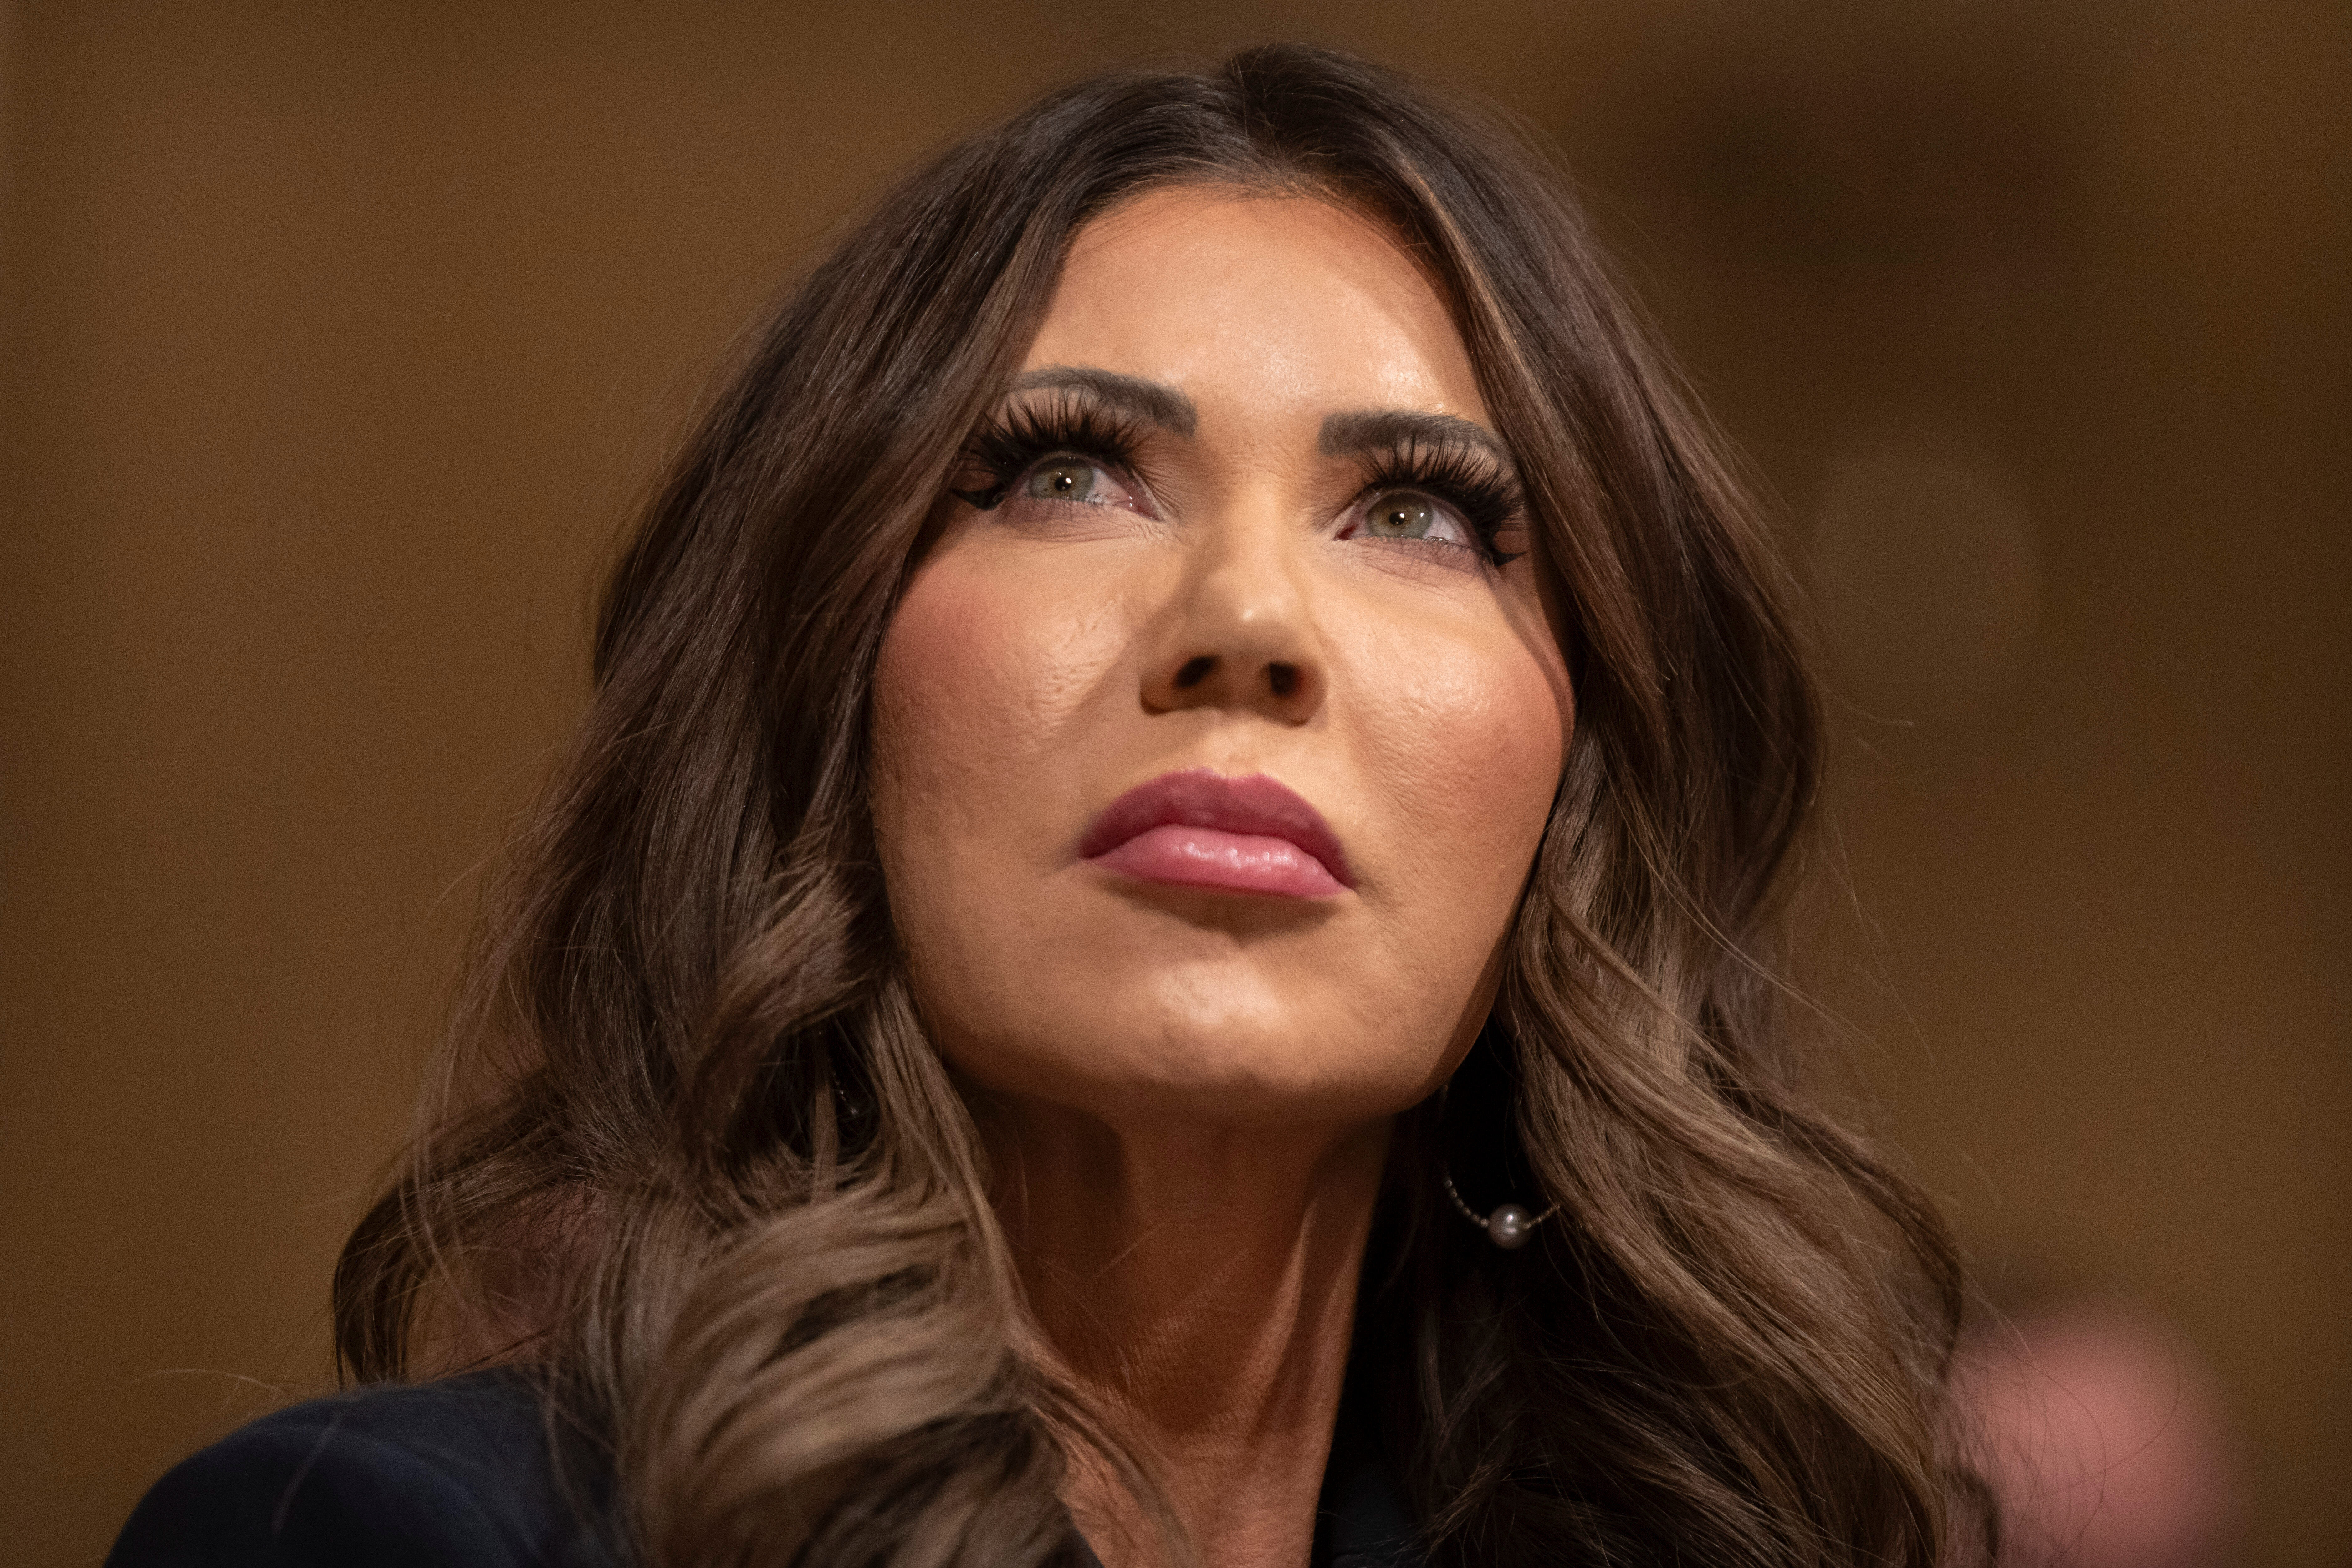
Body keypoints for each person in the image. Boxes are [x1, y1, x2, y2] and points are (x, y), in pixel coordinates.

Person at [109, 43, 1986, 1568]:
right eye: (1069, 474)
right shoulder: (390, 1539)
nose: (1246, 622)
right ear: (822, 684)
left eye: (1418, 513)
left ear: (1583, 780)